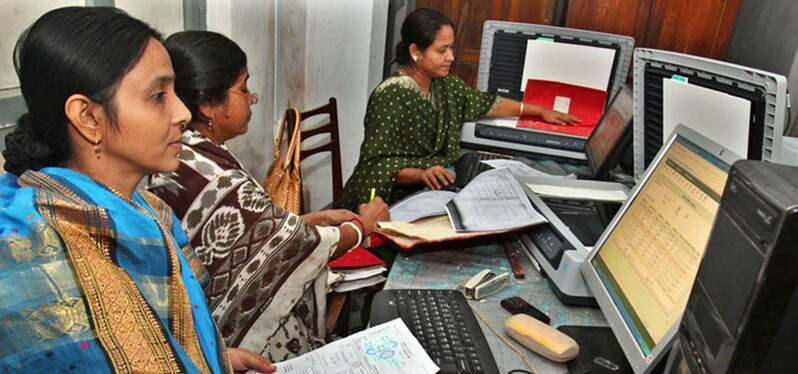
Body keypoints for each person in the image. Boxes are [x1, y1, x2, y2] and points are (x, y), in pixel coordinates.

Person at [0, 7, 273, 373]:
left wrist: (213, 360)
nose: (182, 113)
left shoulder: (147, 211)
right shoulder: (47, 253)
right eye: (158, 95)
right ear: (88, 117)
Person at [148, 31, 389, 362]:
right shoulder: (210, 173)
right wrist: (365, 225)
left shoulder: (190, 154)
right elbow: (288, 247)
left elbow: (248, 236)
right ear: (208, 105)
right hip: (236, 345)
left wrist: (308, 219)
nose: (251, 98)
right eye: (243, 88)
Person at [339, 8, 580, 210]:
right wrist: (420, 174)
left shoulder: (444, 85)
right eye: (442, 50)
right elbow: (374, 165)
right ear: (416, 52)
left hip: (428, 188)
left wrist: (537, 111)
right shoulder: (392, 94)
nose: (451, 57)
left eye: (451, 48)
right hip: (383, 201)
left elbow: (488, 104)